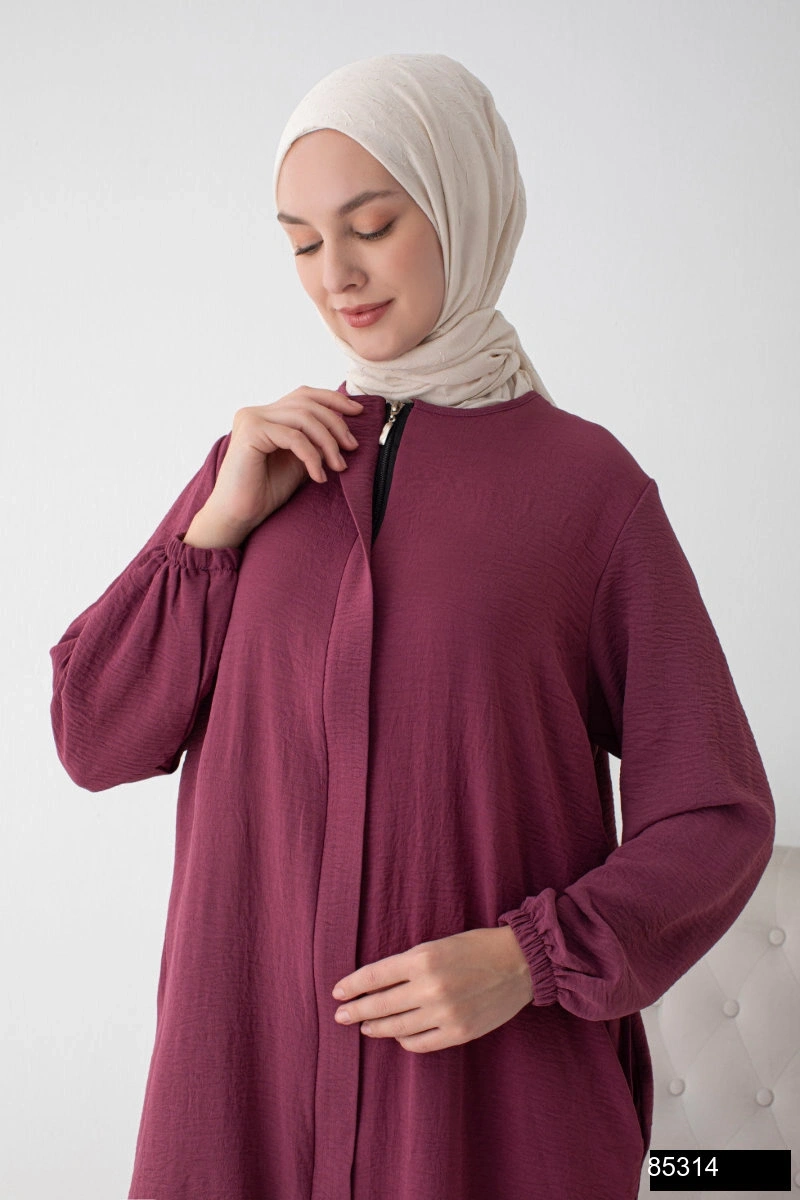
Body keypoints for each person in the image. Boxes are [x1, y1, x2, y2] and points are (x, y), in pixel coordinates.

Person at [48, 52, 775, 1200]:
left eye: (371, 226)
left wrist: (527, 958)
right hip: (243, 1106)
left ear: (459, 205)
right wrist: (214, 527)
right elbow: (94, 736)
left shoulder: (587, 494)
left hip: (484, 1113)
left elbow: (714, 813)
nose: (333, 274)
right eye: (300, 242)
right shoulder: (259, 466)